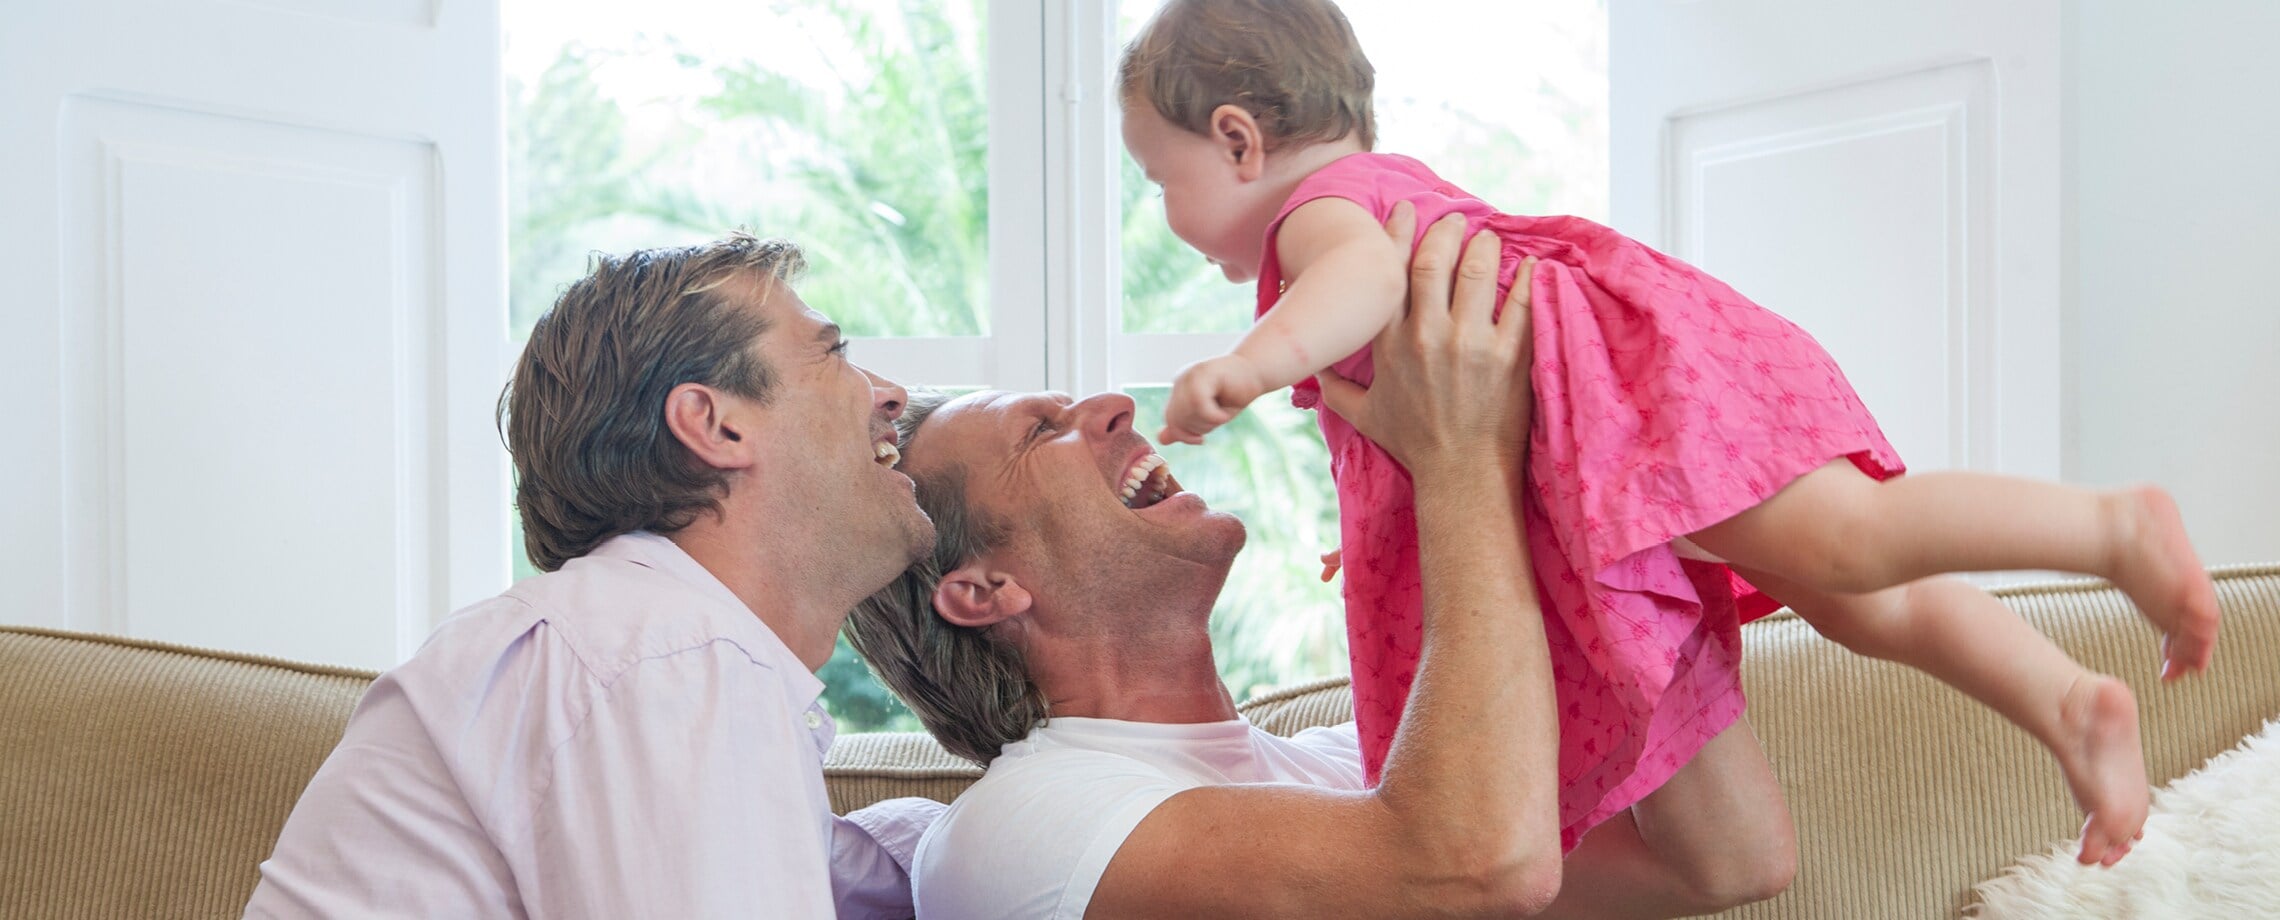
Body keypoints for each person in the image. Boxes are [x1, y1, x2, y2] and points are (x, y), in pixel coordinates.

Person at [1120, 0, 2219, 865]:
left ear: (1238, 139)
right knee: (1861, 597)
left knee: (1857, 541)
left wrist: (1251, 364)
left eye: (1161, 179)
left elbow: (1357, 283)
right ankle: (2067, 703)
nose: (1165, 211)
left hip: (1631, 413)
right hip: (1612, 432)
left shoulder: (1325, 217)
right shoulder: (1384, 186)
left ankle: (2108, 526)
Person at [845, 209, 1799, 919]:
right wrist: (1462, 463)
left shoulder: (1362, 761)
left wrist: (1581, 500)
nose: (1110, 407)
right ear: (980, 590)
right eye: (1040, 432)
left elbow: (1725, 859)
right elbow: (1477, 865)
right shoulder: (1017, 832)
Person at [244, 233, 944, 918]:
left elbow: (845, 873)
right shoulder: (667, 653)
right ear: (715, 424)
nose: (891, 395)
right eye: (832, 353)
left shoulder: (642, 643)